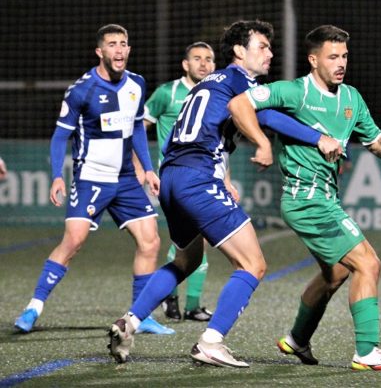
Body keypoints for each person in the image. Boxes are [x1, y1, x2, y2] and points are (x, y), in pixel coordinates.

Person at [108, 20, 342, 367]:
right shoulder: (238, 82)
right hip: (197, 179)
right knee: (253, 264)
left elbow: (247, 117)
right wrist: (315, 138)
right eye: (262, 46)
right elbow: (269, 118)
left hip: (173, 177)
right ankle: (211, 341)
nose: (270, 54)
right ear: (238, 52)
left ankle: (129, 322)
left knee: (186, 260)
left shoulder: (210, 82)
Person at [228, 25, 381, 371]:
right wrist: (262, 143)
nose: (341, 63)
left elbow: (376, 141)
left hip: (325, 198)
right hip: (306, 199)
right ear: (313, 59)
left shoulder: (351, 98)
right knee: (368, 263)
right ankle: (367, 351)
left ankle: (297, 339)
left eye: (345, 56)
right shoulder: (296, 92)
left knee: (335, 274)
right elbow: (240, 103)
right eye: (333, 56)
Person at [14, 24, 173, 335]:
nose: (118, 50)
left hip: (127, 179)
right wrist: (57, 176)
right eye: (112, 44)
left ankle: (140, 316)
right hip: (91, 178)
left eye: (123, 44)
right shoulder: (81, 90)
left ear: (129, 49)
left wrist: (149, 168)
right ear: (100, 51)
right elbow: (61, 136)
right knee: (73, 241)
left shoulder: (137, 84)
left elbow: (137, 128)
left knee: (151, 241)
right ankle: (34, 307)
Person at [140, 42, 218, 322]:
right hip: (176, 178)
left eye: (209, 59)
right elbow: (140, 126)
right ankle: (184, 301)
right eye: (197, 58)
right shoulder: (167, 93)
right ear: (185, 64)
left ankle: (176, 299)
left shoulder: (215, 95)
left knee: (193, 240)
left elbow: (219, 144)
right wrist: (143, 166)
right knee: (196, 238)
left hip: (204, 176)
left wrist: (227, 179)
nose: (203, 64)